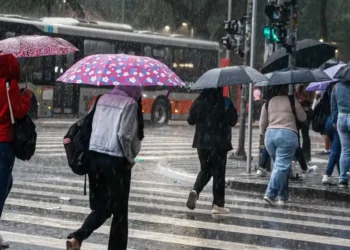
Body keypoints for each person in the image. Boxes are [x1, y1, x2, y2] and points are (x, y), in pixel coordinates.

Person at [66, 85, 143, 250]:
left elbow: (90, 126)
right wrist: (130, 158)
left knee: (102, 208)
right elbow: (124, 136)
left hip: (94, 159)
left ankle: (77, 237)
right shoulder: (130, 104)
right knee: (120, 214)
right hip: (116, 161)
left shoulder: (101, 99)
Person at [186, 88, 238, 214]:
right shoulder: (225, 102)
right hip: (219, 143)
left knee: (206, 169)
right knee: (219, 173)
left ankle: (195, 190)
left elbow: (190, 120)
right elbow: (233, 121)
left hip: (202, 143)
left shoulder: (199, 101)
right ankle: (218, 204)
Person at [0, 54, 32, 248]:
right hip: (5, 142)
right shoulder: (9, 84)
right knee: (2, 186)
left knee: (7, 182)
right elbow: (18, 111)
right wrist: (26, 97)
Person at [260, 85, 306, 206]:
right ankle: (270, 193)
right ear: (286, 89)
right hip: (287, 134)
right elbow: (303, 117)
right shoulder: (291, 100)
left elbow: (262, 123)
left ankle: (282, 196)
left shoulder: (268, 102)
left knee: (280, 166)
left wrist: (263, 136)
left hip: (270, 136)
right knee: (281, 166)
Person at [331, 81, 350, 187]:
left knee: (345, 150)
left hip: (341, 118)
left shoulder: (336, 87)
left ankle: (342, 178)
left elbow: (333, 106)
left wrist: (334, 121)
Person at [296, 85, 312, 162]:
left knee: (304, 136)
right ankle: (299, 154)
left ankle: (305, 155)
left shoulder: (305, 98)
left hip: (304, 118)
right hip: (300, 118)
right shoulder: (295, 96)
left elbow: (307, 107)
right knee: (297, 136)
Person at [313, 91, 332, 155]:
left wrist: (313, 106)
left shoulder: (322, 83)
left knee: (325, 130)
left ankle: (327, 149)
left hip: (325, 108)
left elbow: (317, 94)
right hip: (331, 107)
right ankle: (331, 148)